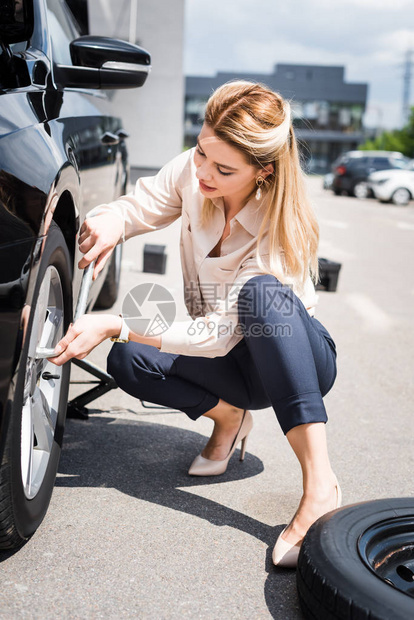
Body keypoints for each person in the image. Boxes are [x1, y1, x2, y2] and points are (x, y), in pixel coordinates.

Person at [51, 80, 341, 568]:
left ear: (263, 172)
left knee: (261, 293)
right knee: (128, 357)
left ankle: (320, 486)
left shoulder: (280, 230)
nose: (202, 171)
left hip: (292, 359)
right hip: (226, 361)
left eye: (223, 168)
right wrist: (110, 222)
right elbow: (138, 206)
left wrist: (118, 320)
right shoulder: (194, 169)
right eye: (202, 152)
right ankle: (229, 417)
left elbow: (220, 334)